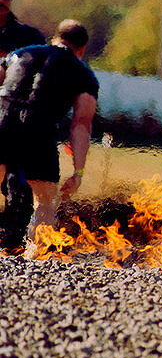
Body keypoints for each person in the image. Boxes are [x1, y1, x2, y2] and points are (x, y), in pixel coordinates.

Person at [0, 20, 98, 250]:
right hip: (39, 131)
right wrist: (78, 172)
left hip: (2, 121)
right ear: (81, 49)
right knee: (45, 201)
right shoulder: (84, 74)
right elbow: (81, 126)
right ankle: (35, 259)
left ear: (55, 38)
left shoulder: (19, 54)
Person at [0, 0, 46, 249]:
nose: (3, 2)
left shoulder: (28, 38)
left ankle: (12, 243)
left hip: (15, 118)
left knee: (19, 181)